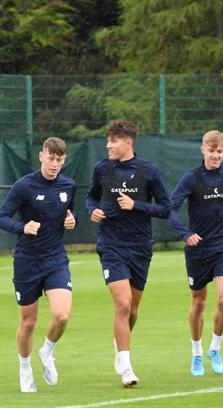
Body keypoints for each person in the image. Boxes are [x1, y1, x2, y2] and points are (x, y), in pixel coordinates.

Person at [86, 120, 170, 387]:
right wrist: (93, 210)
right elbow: (90, 197)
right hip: (111, 245)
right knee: (122, 303)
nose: (108, 146)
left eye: (113, 141)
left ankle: (119, 343)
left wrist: (136, 205)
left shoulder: (149, 171)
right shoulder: (102, 169)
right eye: (107, 141)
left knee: (132, 308)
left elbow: (166, 208)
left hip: (140, 247)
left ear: (128, 143)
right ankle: (125, 365)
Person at [0, 137, 76, 392]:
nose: (55, 164)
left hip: (55, 259)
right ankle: (24, 368)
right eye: (51, 158)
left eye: (59, 160)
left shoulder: (69, 185)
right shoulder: (24, 186)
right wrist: (23, 227)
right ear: (41, 156)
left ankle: (47, 351)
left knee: (62, 315)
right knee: (29, 321)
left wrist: (71, 220)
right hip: (27, 261)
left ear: (64, 160)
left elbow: (68, 212)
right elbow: (2, 216)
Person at [167, 130, 223, 377]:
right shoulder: (192, 179)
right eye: (211, 151)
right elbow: (170, 209)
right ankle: (196, 353)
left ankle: (215, 348)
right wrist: (185, 234)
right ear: (203, 150)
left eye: (220, 151)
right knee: (199, 302)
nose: (215, 155)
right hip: (198, 251)